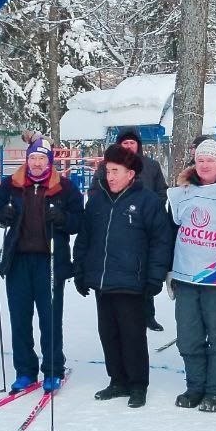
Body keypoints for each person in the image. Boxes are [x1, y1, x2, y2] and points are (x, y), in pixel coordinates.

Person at [73, 144, 173, 408]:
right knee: (108, 333)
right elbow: (84, 239)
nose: (110, 176)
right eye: (108, 171)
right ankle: (117, 380)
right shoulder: (96, 200)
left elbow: (161, 243)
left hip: (132, 281)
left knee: (133, 335)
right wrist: (80, 271)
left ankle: (138, 384)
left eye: (116, 171)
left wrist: (154, 277)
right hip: (103, 281)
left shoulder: (148, 202)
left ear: (131, 174)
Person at [0, 137, 84, 393]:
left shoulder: (64, 188)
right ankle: (24, 370)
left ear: (50, 161)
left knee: (50, 318)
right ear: (27, 160)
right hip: (18, 260)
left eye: (42, 158)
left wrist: (63, 218)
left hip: (50, 261)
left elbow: (79, 221)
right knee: (20, 318)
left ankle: (53, 369)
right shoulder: (11, 185)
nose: (36, 163)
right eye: (32, 157)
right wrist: (2, 214)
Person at [166, 139, 216, 412]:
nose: (204, 165)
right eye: (200, 160)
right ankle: (195, 387)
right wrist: (169, 271)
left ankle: (215, 391)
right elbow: (169, 233)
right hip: (186, 278)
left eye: (210, 160)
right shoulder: (180, 194)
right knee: (188, 336)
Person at [93, 128, 169, 331]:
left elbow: (162, 191)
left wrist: (154, 209)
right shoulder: (105, 168)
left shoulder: (151, 166)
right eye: (124, 143)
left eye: (132, 143)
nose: (128, 146)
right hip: (117, 223)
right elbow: (96, 192)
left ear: (138, 145)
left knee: (143, 273)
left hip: (145, 223)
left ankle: (148, 316)